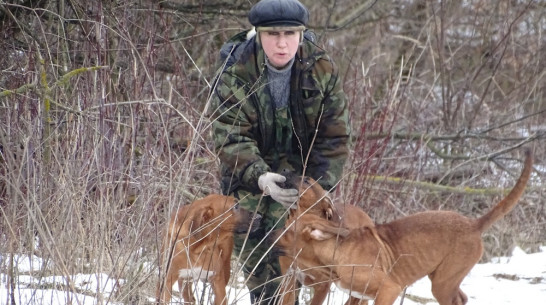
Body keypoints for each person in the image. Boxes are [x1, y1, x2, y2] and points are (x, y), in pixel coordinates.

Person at [209, 0, 350, 304]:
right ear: (258, 34)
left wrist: (316, 190)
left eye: (290, 33)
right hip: (251, 176)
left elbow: (334, 137)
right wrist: (261, 178)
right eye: (273, 34)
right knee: (255, 240)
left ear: (302, 34)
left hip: (305, 177)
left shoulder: (321, 68)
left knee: (307, 246)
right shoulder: (237, 70)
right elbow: (230, 137)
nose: (282, 43)